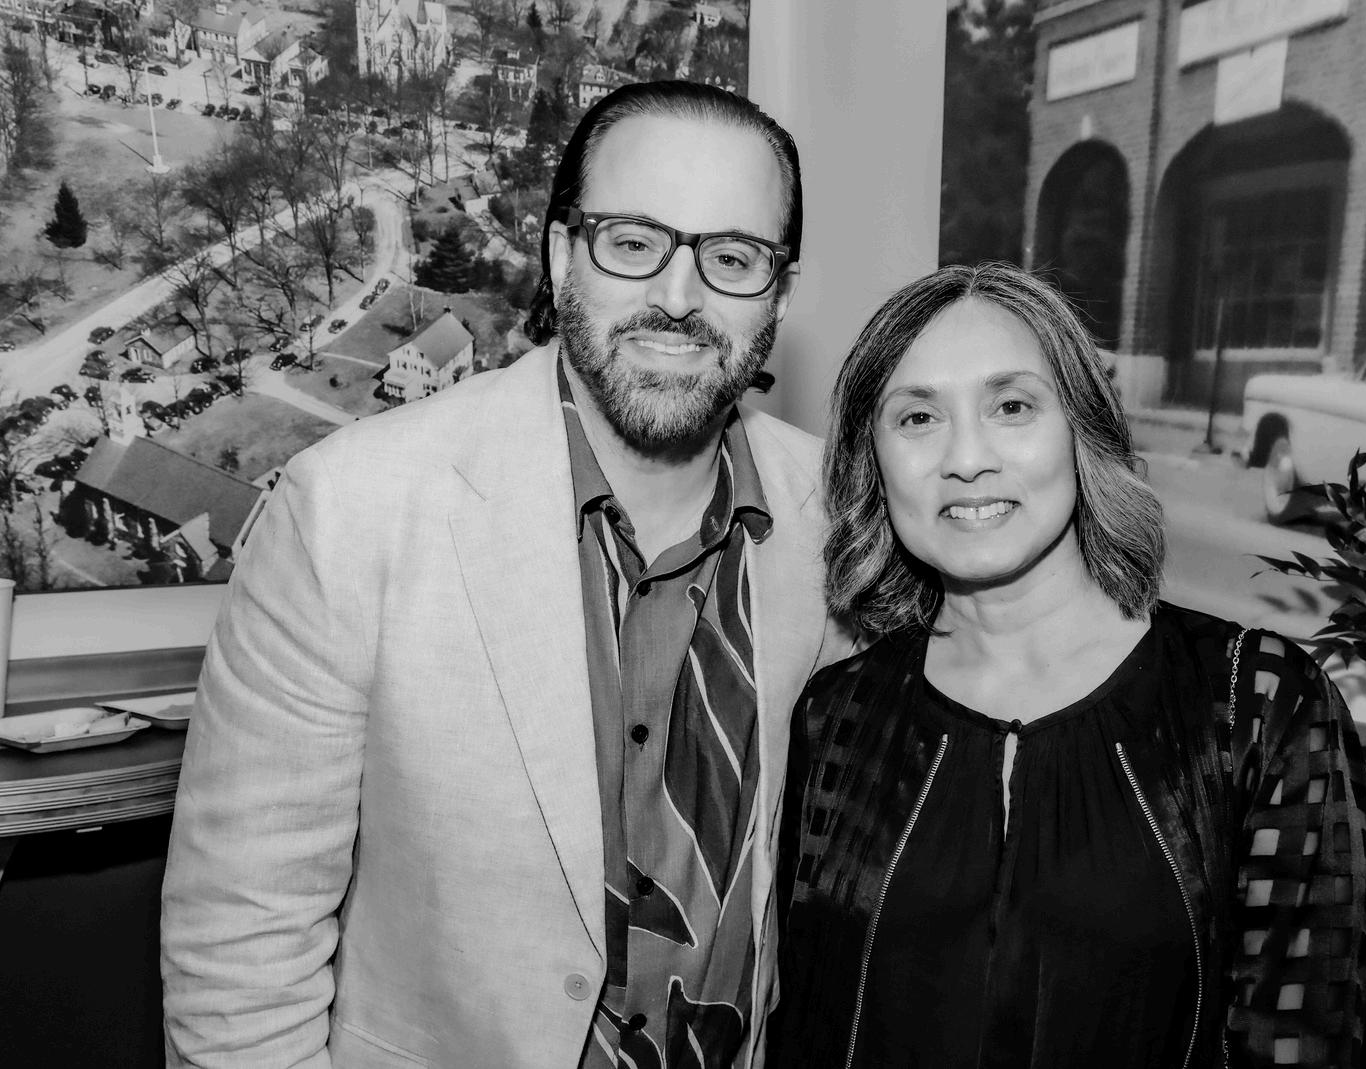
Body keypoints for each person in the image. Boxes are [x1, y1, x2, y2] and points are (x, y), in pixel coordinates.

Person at [162, 81, 852, 1069]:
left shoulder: (834, 516)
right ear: (563, 254)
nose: (678, 296)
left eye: (733, 257)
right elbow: (241, 952)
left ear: (778, 293)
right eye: (632, 242)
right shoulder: (347, 510)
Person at [768, 262, 1366, 1069]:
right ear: (871, 459)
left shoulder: (1258, 703)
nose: (967, 457)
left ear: (1081, 429)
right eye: (917, 417)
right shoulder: (836, 712)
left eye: (1012, 406)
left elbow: (1300, 1044)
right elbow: (804, 1026)